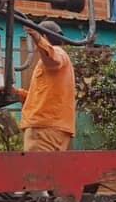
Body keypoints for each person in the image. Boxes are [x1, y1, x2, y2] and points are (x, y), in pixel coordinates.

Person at [15, 21, 76, 151]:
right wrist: (17, 93)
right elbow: (40, 98)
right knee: (49, 170)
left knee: (37, 170)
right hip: (51, 127)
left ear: (45, 37)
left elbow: (53, 59)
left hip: (44, 129)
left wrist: (37, 37)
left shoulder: (58, 53)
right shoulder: (59, 64)